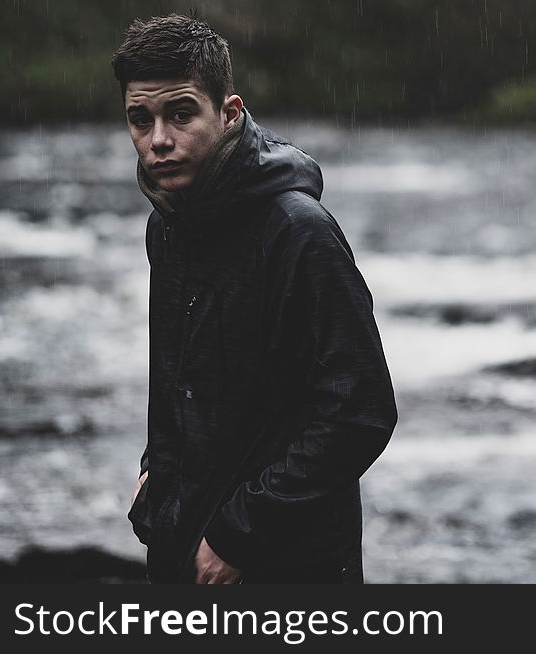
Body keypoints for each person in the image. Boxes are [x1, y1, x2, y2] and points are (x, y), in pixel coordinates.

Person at [114, 14, 398, 584]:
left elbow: (360, 412)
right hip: (183, 539)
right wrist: (158, 472)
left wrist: (240, 536)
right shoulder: (169, 225)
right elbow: (176, 375)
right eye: (140, 120)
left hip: (287, 564)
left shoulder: (299, 232)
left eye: (181, 113)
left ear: (230, 112)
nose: (159, 139)